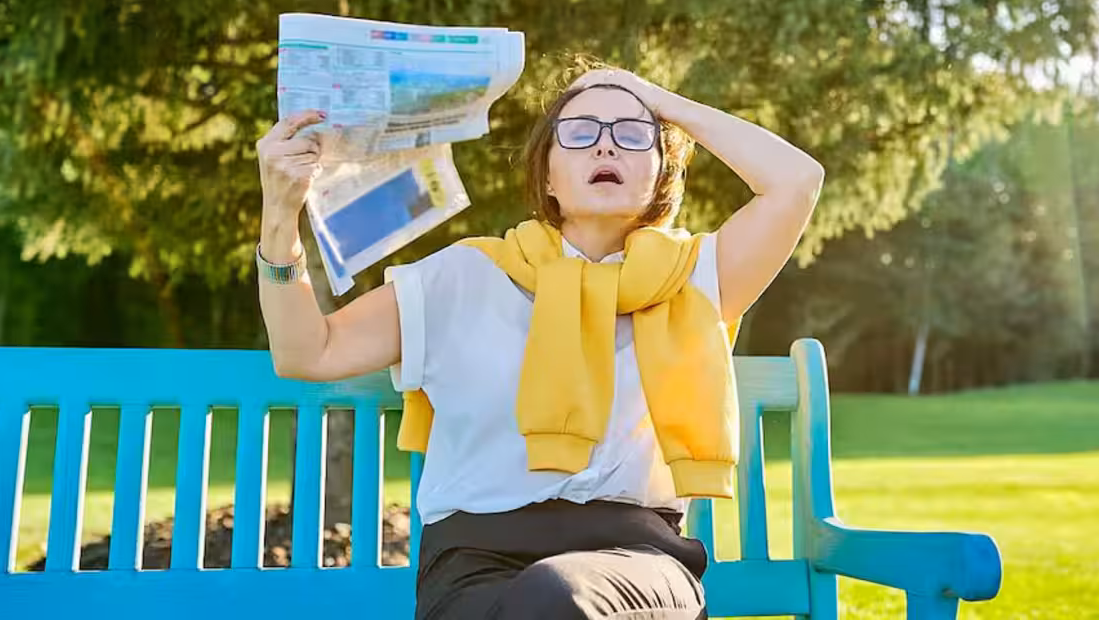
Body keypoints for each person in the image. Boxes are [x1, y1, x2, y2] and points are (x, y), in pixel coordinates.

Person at [255, 66, 825, 619]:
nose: (606, 148)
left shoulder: (700, 276)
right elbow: (309, 351)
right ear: (547, 175)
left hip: (639, 565)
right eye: (579, 133)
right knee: (539, 602)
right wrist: (279, 217)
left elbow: (796, 181)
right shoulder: (463, 275)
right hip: (475, 566)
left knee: (556, 595)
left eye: (632, 133)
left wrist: (655, 97)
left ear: (661, 173)